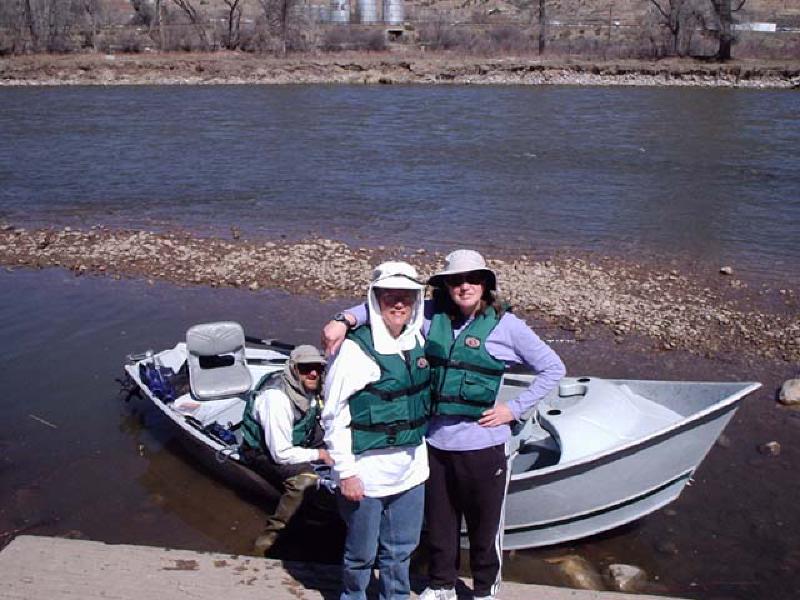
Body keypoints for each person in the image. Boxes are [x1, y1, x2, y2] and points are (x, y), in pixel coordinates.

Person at [322, 249, 566, 600]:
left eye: (473, 279)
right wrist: (343, 319)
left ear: (486, 284)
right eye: (455, 280)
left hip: (483, 447)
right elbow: (384, 307)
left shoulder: (508, 326)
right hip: (434, 445)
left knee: (484, 529)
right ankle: (441, 587)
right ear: (445, 286)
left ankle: (484, 591)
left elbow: (553, 368)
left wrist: (514, 409)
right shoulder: (430, 316)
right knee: (439, 527)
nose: (464, 286)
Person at [322, 261, 431, 600]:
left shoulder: (420, 339)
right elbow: (333, 415)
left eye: (407, 296)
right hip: (366, 474)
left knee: (400, 551)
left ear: (416, 301)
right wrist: (346, 472)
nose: (399, 304)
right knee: (360, 556)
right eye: (389, 296)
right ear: (375, 299)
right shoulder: (355, 350)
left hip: (411, 471)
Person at [239, 344, 333, 556]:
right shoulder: (277, 399)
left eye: (317, 368)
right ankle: (269, 540)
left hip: (302, 438)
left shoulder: (313, 389)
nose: (313, 373)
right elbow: (280, 454)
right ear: (293, 369)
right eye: (305, 367)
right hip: (263, 452)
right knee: (305, 481)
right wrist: (320, 455)